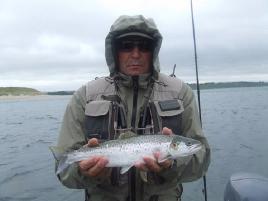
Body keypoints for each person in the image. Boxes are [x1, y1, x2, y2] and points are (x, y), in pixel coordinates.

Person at [54, 15, 210, 201]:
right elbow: (65, 175)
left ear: (153, 51)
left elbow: (201, 158)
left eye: (144, 46)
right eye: (126, 45)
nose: (135, 54)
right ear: (114, 50)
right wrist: (83, 171)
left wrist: (172, 166)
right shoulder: (85, 96)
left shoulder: (181, 93)